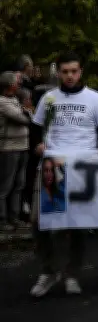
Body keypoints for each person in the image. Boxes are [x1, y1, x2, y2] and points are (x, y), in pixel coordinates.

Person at [30, 52, 98, 297]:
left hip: (82, 168)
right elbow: (36, 129)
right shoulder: (48, 98)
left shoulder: (95, 99)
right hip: (52, 166)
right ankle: (48, 271)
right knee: (39, 222)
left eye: (73, 71)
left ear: (80, 73)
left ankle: (72, 273)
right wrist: (37, 145)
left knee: (76, 224)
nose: (69, 76)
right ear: (59, 73)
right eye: (65, 71)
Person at [0, 71, 32, 231]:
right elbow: (24, 119)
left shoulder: (14, 100)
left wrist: (27, 111)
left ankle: (15, 216)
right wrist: (28, 112)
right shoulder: (3, 102)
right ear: (9, 85)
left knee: (19, 184)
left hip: (22, 147)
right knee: (6, 184)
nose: (18, 84)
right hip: (9, 148)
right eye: (15, 82)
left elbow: (28, 113)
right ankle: (3, 219)